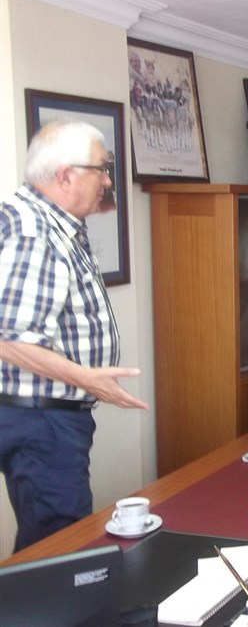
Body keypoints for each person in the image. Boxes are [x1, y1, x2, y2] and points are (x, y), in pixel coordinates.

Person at [0, 120, 148, 551]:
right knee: (59, 546)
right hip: (41, 422)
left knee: (50, 544)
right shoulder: (35, 232)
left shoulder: (52, 223)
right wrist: (87, 379)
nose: (108, 181)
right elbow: (11, 338)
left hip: (46, 419)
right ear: (65, 175)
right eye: (101, 169)